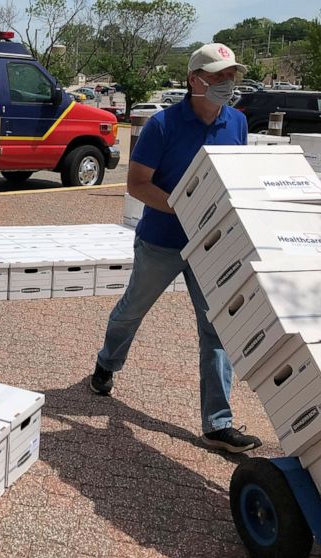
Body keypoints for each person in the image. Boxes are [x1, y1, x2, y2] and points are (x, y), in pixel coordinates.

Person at [89, 43, 262, 454]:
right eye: (218, 76)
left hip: (212, 246)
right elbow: (138, 185)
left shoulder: (237, 123)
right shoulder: (162, 126)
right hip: (162, 242)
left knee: (216, 328)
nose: (227, 83)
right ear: (194, 79)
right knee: (132, 310)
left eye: (231, 76)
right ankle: (107, 363)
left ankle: (218, 423)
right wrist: (187, 209)